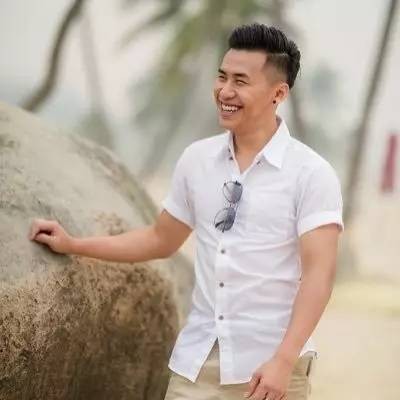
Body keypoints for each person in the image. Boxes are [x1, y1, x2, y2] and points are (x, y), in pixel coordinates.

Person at [29, 23, 343, 400]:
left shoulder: (311, 173)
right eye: (222, 77)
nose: (225, 91)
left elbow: (319, 276)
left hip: (272, 370)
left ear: (278, 93)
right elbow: (159, 239)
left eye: (240, 81)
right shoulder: (197, 160)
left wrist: (284, 361)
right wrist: (73, 244)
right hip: (197, 364)